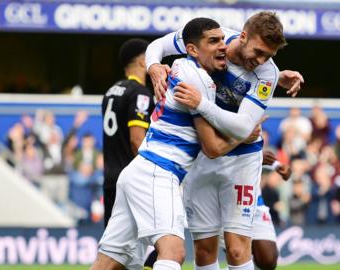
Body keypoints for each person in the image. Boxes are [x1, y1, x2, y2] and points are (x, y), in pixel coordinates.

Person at [92, 18, 261, 270]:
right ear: (192, 49)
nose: (222, 46)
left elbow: (230, 71)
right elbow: (212, 148)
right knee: (173, 251)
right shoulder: (199, 82)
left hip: (137, 171)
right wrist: (243, 135)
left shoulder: (181, 66)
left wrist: (276, 78)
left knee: (109, 261)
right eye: (212, 41)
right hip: (159, 171)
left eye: (222, 40)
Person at [146, 11, 301, 270]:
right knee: (204, 250)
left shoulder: (267, 74)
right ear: (242, 36)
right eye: (258, 51)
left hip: (242, 159)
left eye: (269, 56)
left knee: (238, 248)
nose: (261, 60)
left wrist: (202, 104)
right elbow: (158, 45)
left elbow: (243, 127)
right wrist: (152, 65)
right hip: (202, 156)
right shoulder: (215, 39)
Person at [101, 38, 155, 227]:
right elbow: (136, 139)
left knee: (112, 244)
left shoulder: (110, 92)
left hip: (110, 176)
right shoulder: (140, 93)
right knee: (157, 238)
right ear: (143, 62)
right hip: (132, 178)